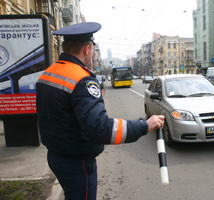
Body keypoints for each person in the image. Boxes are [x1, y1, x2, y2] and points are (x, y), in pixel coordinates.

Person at [36, 22, 164, 200]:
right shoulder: (82, 79)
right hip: (77, 161)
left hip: (56, 155)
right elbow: (101, 129)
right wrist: (144, 125)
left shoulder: (48, 74)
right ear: (87, 49)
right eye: (93, 50)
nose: (94, 54)